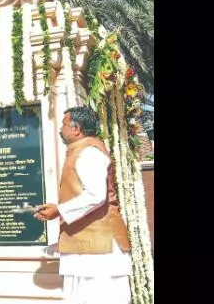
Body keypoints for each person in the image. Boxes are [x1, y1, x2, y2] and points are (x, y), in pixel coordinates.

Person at [34, 106, 133, 304]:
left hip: (100, 247)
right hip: (89, 246)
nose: (61, 129)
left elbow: (96, 196)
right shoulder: (80, 151)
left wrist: (59, 210)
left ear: (76, 129)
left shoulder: (89, 153)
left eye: (63, 125)